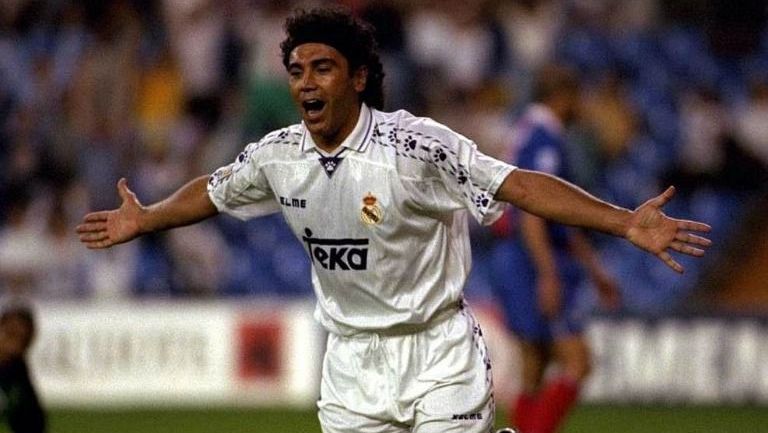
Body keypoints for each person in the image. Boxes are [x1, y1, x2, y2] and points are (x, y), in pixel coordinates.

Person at [76, 8, 711, 433]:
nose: (304, 84)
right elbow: (215, 192)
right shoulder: (279, 156)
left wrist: (624, 221)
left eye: (321, 68)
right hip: (350, 361)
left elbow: (516, 184)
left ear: (357, 77)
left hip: (437, 351)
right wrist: (150, 217)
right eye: (296, 72)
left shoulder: (418, 149)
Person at [492, 65, 620, 433]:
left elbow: (564, 214)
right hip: (533, 258)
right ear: (563, 95)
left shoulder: (524, 131)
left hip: (516, 256)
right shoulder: (545, 139)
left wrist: (595, 271)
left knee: (534, 362)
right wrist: (548, 275)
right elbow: (534, 214)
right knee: (577, 361)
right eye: (577, 96)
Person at [0, 304, 46, 433]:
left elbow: (34, 422)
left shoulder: (16, 367)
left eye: (24, 339)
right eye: (11, 335)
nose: (16, 345)